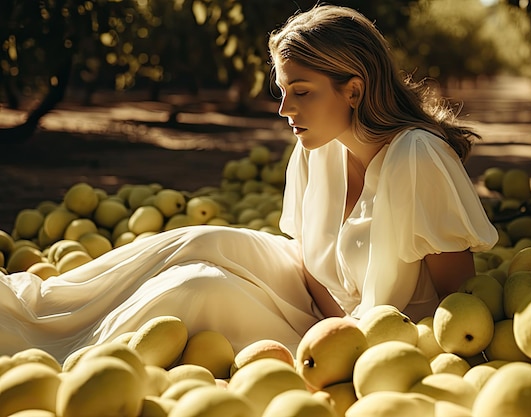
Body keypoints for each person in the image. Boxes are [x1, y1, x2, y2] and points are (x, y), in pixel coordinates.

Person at [0, 4, 497, 362]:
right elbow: (304, 256)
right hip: (314, 294)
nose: (285, 110)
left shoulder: (417, 157)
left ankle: (54, 358)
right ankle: (31, 307)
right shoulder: (315, 148)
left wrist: (338, 340)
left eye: (300, 92)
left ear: (354, 89)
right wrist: (319, 308)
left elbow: (461, 301)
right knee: (199, 238)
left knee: (196, 289)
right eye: (282, 91)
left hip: (366, 337)